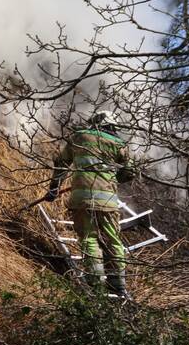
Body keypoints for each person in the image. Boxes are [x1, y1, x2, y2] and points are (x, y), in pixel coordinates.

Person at [45, 110, 136, 298]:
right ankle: (118, 285)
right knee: (113, 241)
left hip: (81, 199)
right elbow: (130, 172)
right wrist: (112, 180)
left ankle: (96, 285)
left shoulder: (78, 137)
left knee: (89, 239)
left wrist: (54, 188)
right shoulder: (119, 143)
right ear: (111, 126)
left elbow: (61, 163)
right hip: (108, 202)